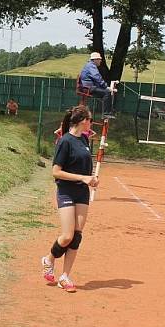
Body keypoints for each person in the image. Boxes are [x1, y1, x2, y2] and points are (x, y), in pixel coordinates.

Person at [40, 106, 97, 293]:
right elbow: (56, 172)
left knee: (77, 236)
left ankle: (65, 276)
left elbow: (84, 166)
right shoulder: (65, 141)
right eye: (89, 119)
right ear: (82, 121)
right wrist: (82, 178)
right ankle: (49, 259)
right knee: (67, 236)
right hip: (66, 191)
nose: (91, 122)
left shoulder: (85, 138)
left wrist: (91, 179)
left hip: (82, 193)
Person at [78, 52, 116, 118]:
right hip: (88, 88)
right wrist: (106, 87)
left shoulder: (89, 65)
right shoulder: (91, 66)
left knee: (105, 93)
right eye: (99, 59)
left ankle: (107, 111)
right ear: (95, 59)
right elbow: (97, 77)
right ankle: (106, 114)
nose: (100, 61)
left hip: (87, 87)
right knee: (107, 93)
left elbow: (96, 79)